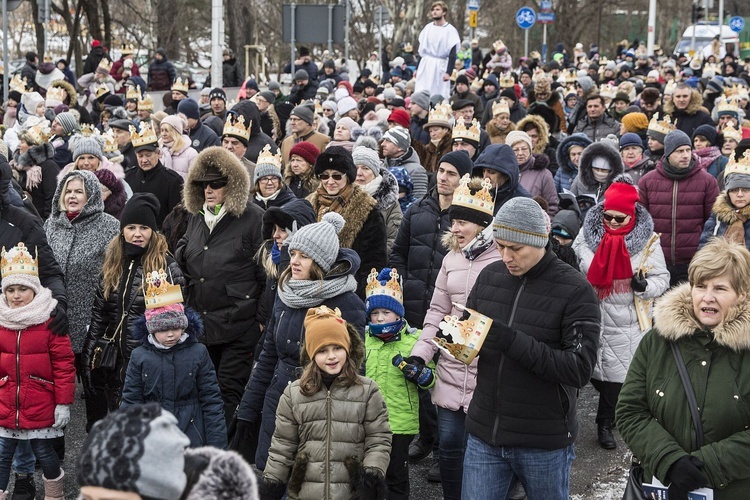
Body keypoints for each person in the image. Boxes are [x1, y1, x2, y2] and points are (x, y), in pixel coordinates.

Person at [461, 197, 600, 499]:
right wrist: (457, 341)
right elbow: (469, 331)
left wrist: (510, 341)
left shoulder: (576, 290)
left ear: (539, 240)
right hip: (485, 431)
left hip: (543, 439)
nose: (506, 256)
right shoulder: (490, 276)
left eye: (516, 248)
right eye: (500, 246)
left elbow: (578, 369)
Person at [617, 238, 750, 500]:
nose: (707, 297)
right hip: (664, 488)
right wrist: (670, 461)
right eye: (700, 286)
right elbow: (629, 411)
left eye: (720, 288)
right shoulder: (657, 341)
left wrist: (708, 465)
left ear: (742, 294)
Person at [233, 213, 366, 470]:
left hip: (320, 409)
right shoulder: (286, 293)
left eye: (303, 256)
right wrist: (248, 409)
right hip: (279, 400)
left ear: (321, 261)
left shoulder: (347, 304)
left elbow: (354, 371)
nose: (293, 261)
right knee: (273, 477)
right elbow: (269, 355)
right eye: (293, 254)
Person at [409, 175, 500, 500]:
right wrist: (421, 353)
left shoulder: (504, 259)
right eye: (455, 222)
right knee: (448, 447)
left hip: (485, 373)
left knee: (480, 454)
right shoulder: (451, 258)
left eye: (463, 222)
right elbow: (436, 311)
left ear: (482, 225)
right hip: (449, 369)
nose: (456, 229)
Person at [572, 178, 669, 450]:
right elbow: (573, 261)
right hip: (589, 315)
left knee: (615, 381)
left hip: (627, 321)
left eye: (619, 219)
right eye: (608, 217)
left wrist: (644, 286)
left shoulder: (648, 242)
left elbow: (662, 278)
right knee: (585, 373)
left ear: (632, 215)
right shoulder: (587, 235)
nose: (612, 223)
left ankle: (605, 425)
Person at [258, 306, 391, 499]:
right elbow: (282, 446)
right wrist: (272, 485)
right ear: (311, 355)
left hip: (351, 492)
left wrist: (370, 477)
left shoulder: (368, 391)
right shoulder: (294, 394)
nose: (331, 356)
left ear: (348, 348)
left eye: (337, 348)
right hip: (306, 492)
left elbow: (379, 439)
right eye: (322, 351)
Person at [82, 193, 186, 430]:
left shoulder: (165, 266)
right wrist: (88, 359)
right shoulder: (112, 263)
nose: (137, 234)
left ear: (153, 231)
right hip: (111, 362)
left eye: (143, 228)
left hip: (146, 363)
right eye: (131, 227)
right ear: (122, 230)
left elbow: (174, 321)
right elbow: (99, 315)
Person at [177, 147, 264, 425]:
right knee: (201, 388)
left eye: (216, 183)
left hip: (239, 322)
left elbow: (268, 274)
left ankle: (223, 454)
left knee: (228, 392)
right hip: (200, 320)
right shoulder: (196, 214)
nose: (209, 190)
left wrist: (260, 320)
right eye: (203, 184)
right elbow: (183, 246)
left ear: (233, 184)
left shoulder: (254, 218)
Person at [0, 243, 75, 500]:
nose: (16, 295)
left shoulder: (49, 320)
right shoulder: (1, 320)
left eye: (23, 289)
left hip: (40, 400)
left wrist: (63, 403)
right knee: (2, 453)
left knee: (44, 451)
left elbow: (64, 364)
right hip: (7, 400)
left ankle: (55, 494)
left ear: (34, 290)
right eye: (11, 289)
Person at [121, 274, 227, 449]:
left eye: (175, 327)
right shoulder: (139, 356)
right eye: (163, 329)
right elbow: (131, 401)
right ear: (151, 329)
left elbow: (212, 400)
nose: (170, 334)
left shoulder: (198, 352)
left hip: (191, 435)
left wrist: (218, 446)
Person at [44, 171, 120, 372]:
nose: (72, 196)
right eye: (68, 191)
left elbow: (115, 271)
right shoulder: (51, 225)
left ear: (92, 194)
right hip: (56, 315)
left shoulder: (109, 226)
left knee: (94, 383)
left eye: (79, 191)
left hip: (94, 318)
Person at [365, 267, 429, 500]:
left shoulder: (416, 340)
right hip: (367, 421)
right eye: (375, 313)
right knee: (368, 476)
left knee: (395, 477)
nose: (380, 318)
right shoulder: (362, 339)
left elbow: (431, 380)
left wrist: (421, 375)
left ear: (398, 313)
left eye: (386, 312)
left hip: (399, 424)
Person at [639, 130, 719, 285]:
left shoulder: (707, 181)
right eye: (679, 151)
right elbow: (642, 221)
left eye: (688, 150)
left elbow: (712, 221)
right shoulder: (648, 181)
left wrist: (704, 255)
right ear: (668, 153)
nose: (685, 155)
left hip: (693, 261)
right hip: (657, 260)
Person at [307, 147, 388, 299]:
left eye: (337, 176)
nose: (330, 182)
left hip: (348, 292)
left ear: (348, 177)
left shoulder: (368, 211)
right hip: (311, 290)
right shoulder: (309, 204)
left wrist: (361, 297)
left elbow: (374, 263)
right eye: (324, 176)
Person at [124, 122, 184, 228]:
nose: (144, 160)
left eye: (148, 155)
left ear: (158, 153)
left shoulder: (172, 180)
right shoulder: (128, 177)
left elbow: (177, 218)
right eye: (140, 156)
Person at [353, 144, 402, 255]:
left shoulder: (389, 202)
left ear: (375, 173)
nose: (359, 173)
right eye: (355, 168)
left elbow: (393, 239)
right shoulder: (341, 196)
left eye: (365, 168)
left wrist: (374, 259)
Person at [700, 153, 750, 250]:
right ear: (727, 193)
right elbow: (704, 247)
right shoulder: (718, 216)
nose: (740, 194)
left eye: (745, 190)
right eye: (734, 190)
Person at [11, 120, 59, 219]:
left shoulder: (49, 166)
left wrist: (47, 222)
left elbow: (52, 198)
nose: (19, 145)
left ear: (33, 146)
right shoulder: (16, 165)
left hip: (39, 219)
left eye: (23, 142)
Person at [414, 1, 460, 99]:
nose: (434, 12)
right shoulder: (428, 28)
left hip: (440, 65)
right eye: (433, 10)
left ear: (444, 12)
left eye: (437, 10)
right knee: (421, 91)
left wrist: (448, 72)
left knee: (438, 93)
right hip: (425, 64)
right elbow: (422, 51)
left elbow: (452, 54)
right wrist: (417, 68)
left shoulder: (450, 30)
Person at [506, 130, 558, 215]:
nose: (520, 153)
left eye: (524, 149)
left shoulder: (544, 174)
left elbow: (552, 207)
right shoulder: (503, 174)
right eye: (515, 150)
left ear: (530, 150)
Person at [251, 145, 296, 210]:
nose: (270, 183)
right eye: (265, 179)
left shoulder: (292, 205)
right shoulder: (251, 206)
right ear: (257, 182)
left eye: (274, 178)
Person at [159, 115, 198, 180]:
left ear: (176, 132)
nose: (163, 134)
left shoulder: (191, 153)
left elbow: (195, 179)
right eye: (162, 130)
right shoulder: (158, 151)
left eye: (167, 130)